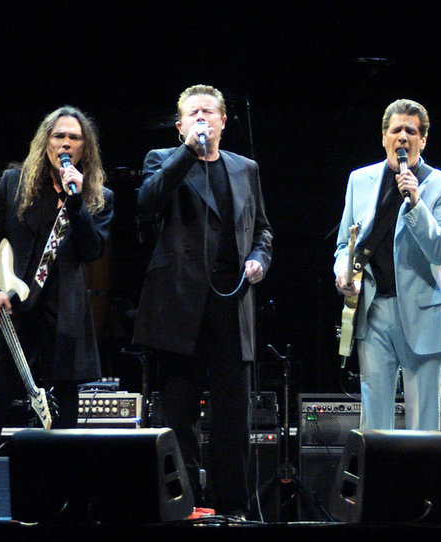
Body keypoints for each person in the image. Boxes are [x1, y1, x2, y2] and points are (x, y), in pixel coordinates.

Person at [0, 106, 113, 523]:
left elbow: (94, 250)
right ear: (46, 143)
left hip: (67, 322)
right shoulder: (15, 184)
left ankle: (68, 510)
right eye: (58, 136)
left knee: (65, 421)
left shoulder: (98, 197)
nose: (65, 143)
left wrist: (77, 202)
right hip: (15, 317)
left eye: (74, 138)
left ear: (84, 148)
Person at [133, 84, 272, 517]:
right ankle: (187, 504)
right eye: (192, 113)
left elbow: (263, 229)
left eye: (208, 112)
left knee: (233, 416)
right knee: (180, 412)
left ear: (224, 120)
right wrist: (188, 153)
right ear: (179, 126)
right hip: (178, 306)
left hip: (232, 303)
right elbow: (147, 203)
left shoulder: (245, 168)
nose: (201, 119)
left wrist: (259, 259)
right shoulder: (163, 160)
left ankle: (233, 506)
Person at [333, 99, 441, 430]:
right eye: (396, 130)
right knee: (374, 418)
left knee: (423, 421)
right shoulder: (359, 180)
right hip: (373, 310)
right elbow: (344, 244)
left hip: (423, 311)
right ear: (384, 137)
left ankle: (421, 483)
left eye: (411, 131)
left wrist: (417, 202)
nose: (402, 137)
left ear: (423, 139)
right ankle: (379, 482)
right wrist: (341, 272)